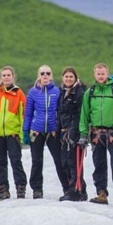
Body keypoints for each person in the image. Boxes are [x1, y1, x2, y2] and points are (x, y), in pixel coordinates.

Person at [78, 63, 113, 205]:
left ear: (107, 74)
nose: (100, 76)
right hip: (96, 134)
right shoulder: (90, 92)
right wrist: (83, 134)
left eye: (103, 73)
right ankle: (101, 193)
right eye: (98, 74)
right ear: (95, 74)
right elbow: (84, 114)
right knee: (99, 164)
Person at [23, 65, 68, 199]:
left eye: (48, 73)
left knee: (59, 160)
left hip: (53, 130)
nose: (45, 75)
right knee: (37, 160)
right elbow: (28, 113)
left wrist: (62, 129)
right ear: (39, 75)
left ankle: (66, 188)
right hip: (36, 130)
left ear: (51, 76)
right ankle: (37, 189)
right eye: (42, 73)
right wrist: (25, 131)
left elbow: (61, 111)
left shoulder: (57, 91)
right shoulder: (32, 92)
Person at [0, 66, 28, 200]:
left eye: (8, 75)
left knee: (16, 160)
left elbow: (23, 115)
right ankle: (3, 188)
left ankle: (20, 187)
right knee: (0, 162)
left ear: (13, 77)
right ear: (0, 78)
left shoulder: (19, 93)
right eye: (4, 75)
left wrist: (22, 134)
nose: (6, 77)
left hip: (13, 133)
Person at [57, 67, 88, 201]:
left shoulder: (79, 92)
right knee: (64, 162)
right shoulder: (62, 92)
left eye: (71, 76)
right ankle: (80, 190)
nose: (68, 79)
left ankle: (75, 191)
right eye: (66, 76)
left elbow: (81, 114)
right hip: (64, 132)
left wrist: (77, 133)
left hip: (74, 132)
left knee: (73, 162)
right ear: (63, 78)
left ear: (75, 78)